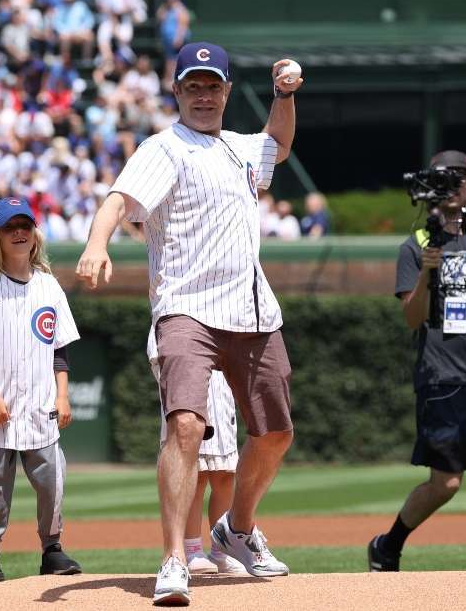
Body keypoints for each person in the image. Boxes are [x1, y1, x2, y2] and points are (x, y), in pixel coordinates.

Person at [76, 42, 303, 606]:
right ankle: (175, 558)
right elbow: (118, 199)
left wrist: (283, 94)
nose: (204, 94)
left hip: (252, 311)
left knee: (276, 433)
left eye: (213, 85)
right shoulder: (163, 148)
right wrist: (96, 243)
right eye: (193, 85)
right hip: (185, 309)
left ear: (227, 91)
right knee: (185, 427)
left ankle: (238, 530)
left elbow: (279, 142)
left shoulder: (242, 149)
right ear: (176, 91)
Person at [369, 150, 466, 574]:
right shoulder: (416, 244)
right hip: (443, 379)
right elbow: (411, 317)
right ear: (429, 188)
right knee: (446, 484)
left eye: (460, 179)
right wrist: (426, 273)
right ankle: (388, 545)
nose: (454, 187)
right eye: (443, 179)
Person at [0, 197, 84, 588]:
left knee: (52, 478)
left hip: (41, 403)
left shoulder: (48, 286)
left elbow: (59, 348)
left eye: (26, 224)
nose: (20, 232)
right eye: (11, 227)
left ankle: (52, 548)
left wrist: (63, 394)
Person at [150, 335, 247, 577]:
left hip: (222, 396)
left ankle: (221, 551)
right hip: (187, 398)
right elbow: (160, 359)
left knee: (226, 474)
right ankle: (192, 550)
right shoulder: (168, 314)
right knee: (197, 475)